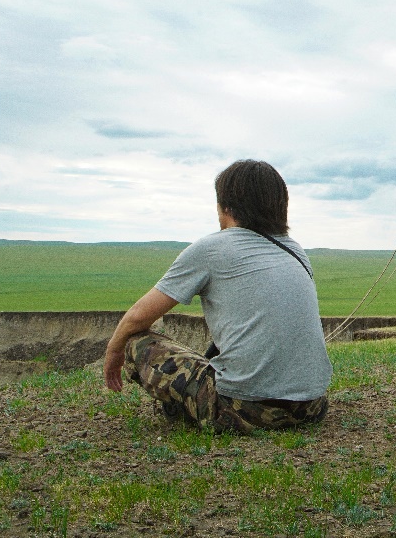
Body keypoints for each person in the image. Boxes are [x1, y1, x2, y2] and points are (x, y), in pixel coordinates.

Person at [103, 159, 331, 433]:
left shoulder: (211, 249)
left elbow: (138, 317)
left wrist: (114, 349)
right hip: (311, 407)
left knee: (136, 342)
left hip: (243, 409)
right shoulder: (296, 251)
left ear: (226, 206)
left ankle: (187, 407)